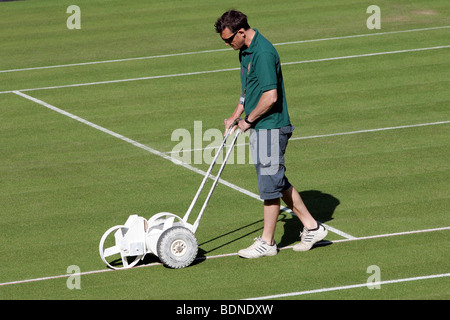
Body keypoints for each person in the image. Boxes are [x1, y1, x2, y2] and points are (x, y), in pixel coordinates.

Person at [214, 10, 328, 258]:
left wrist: (247, 121)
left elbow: (270, 97)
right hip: (260, 126)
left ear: (241, 32)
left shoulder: (263, 53)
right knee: (276, 180)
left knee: (269, 186)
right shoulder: (245, 50)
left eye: (228, 39)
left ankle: (267, 242)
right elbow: (247, 91)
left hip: (271, 127)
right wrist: (235, 115)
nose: (226, 44)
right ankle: (312, 226)